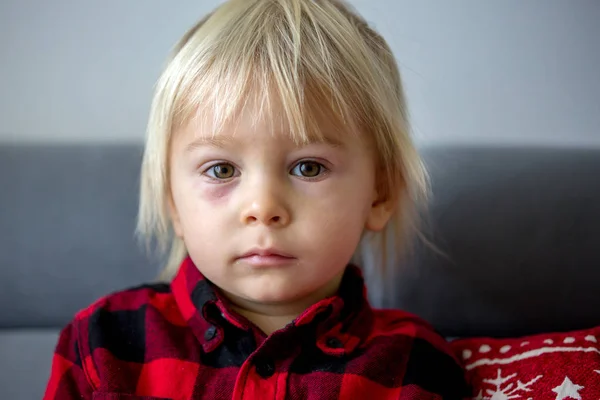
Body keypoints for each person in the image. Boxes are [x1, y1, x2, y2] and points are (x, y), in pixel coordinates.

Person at [44, 0, 469, 398]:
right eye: (222, 170)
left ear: (380, 195)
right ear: (173, 202)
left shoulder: (417, 364)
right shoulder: (102, 343)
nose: (263, 208)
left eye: (309, 167)